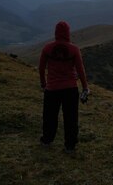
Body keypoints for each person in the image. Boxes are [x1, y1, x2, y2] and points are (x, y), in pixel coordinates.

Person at [38, 21, 89, 152]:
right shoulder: (74, 49)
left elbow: (41, 68)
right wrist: (85, 87)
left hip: (52, 89)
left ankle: (47, 140)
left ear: (55, 32)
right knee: (71, 118)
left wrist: (43, 84)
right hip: (70, 89)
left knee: (49, 116)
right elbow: (80, 70)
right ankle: (70, 146)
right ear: (68, 32)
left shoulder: (47, 48)